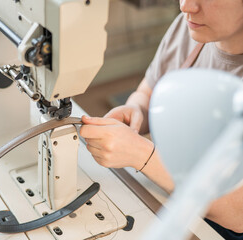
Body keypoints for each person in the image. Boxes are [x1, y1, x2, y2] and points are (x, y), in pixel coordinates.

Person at [80, 0, 243, 239]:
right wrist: (135, 110)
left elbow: (238, 213)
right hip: (169, 198)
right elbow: (147, 92)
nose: (186, 6)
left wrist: (142, 155)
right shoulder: (190, 28)